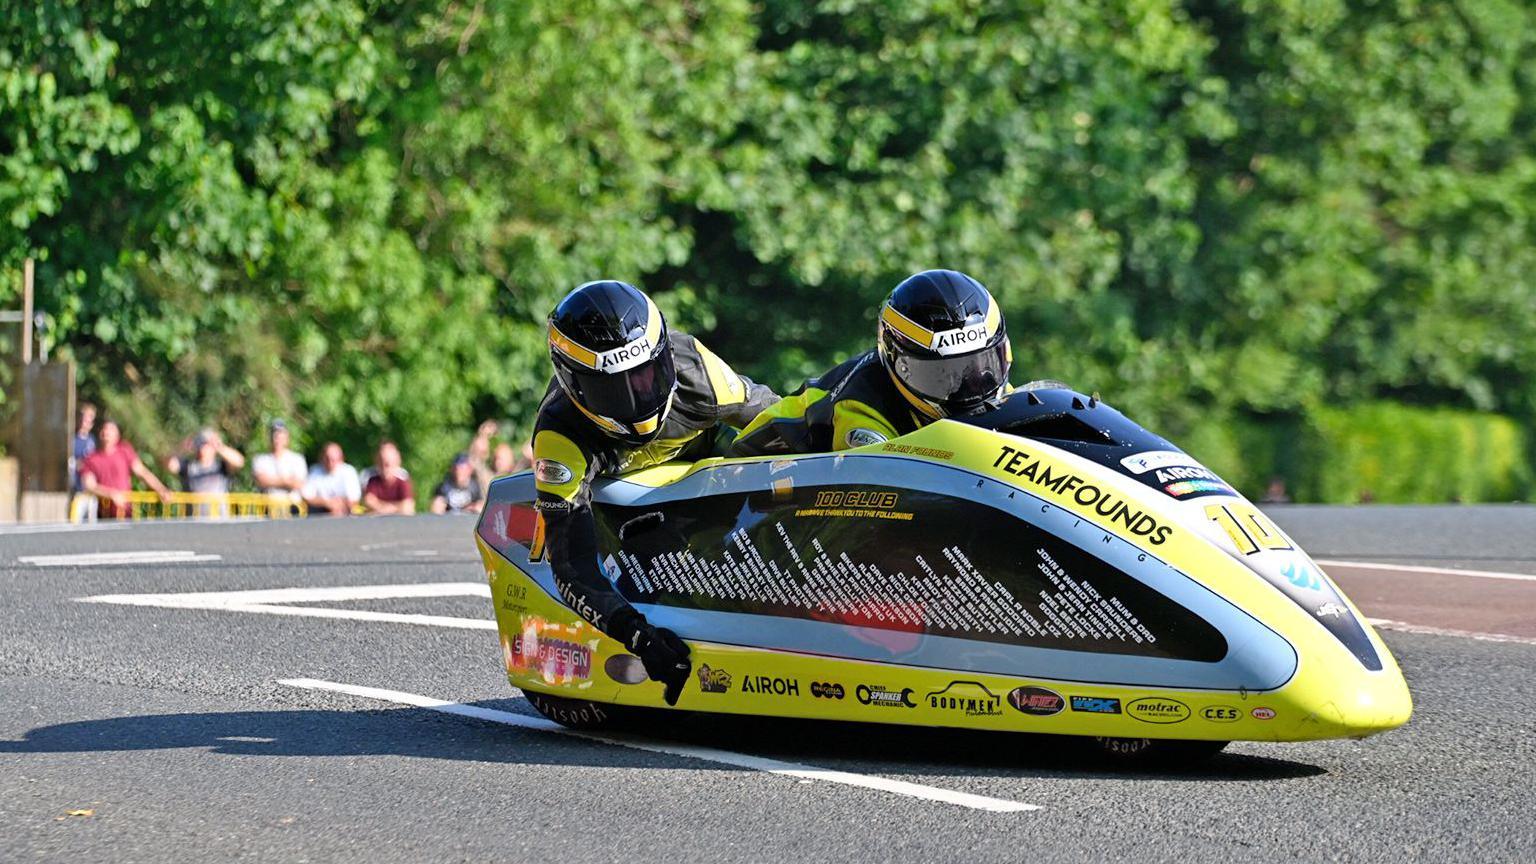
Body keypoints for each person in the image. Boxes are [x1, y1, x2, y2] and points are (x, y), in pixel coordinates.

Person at [533, 280, 778, 704]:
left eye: (647, 375)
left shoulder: (697, 371)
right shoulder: (559, 436)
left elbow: (779, 420)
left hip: (710, 480)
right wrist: (638, 635)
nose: (639, 396)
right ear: (575, 385)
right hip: (632, 525)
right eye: (614, 388)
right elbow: (570, 563)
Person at [733, 269, 1011, 455]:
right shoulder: (860, 412)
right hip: (757, 468)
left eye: (981, 366)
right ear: (898, 363)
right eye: (941, 374)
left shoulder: (998, 394)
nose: (968, 387)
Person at [77, 420, 173, 518]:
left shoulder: (125, 451)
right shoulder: (90, 459)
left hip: (126, 513)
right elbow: (90, 485)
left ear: (118, 435)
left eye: (110, 429)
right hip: (103, 516)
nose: (106, 432)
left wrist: (160, 488)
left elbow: (142, 472)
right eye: (104, 429)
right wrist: (111, 494)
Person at [165, 428, 246, 496]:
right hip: (194, 515)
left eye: (206, 444)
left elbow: (239, 462)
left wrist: (219, 447)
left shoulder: (222, 466)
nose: (202, 448)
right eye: (200, 444)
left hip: (219, 515)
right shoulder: (188, 466)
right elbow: (168, 464)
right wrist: (182, 449)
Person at [252, 419, 308, 503]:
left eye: (281, 435)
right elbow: (261, 481)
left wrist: (271, 480)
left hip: (292, 508)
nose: (277, 439)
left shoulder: (297, 459)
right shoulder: (260, 459)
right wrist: (286, 480)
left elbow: (298, 484)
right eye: (275, 435)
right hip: (267, 508)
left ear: (287, 437)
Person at [302, 442, 362, 516]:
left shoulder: (349, 472)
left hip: (345, 513)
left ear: (341, 459)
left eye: (333, 460)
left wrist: (337, 506)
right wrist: (326, 503)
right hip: (319, 513)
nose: (330, 463)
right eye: (327, 459)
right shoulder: (315, 471)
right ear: (322, 458)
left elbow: (353, 499)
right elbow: (307, 496)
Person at [361, 440, 415, 515]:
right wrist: (396, 507)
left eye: (387, 464)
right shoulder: (373, 480)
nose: (385, 468)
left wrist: (384, 508)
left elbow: (408, 506)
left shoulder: (403, 480)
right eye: (381, 463)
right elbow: (368, 502)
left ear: (397, 462)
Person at [70, 402, 97, 491]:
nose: (84, 421)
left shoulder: (93, 440)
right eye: (82, 417)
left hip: (88, 488)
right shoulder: (71, 439)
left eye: (89, 418)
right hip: (73, 485)